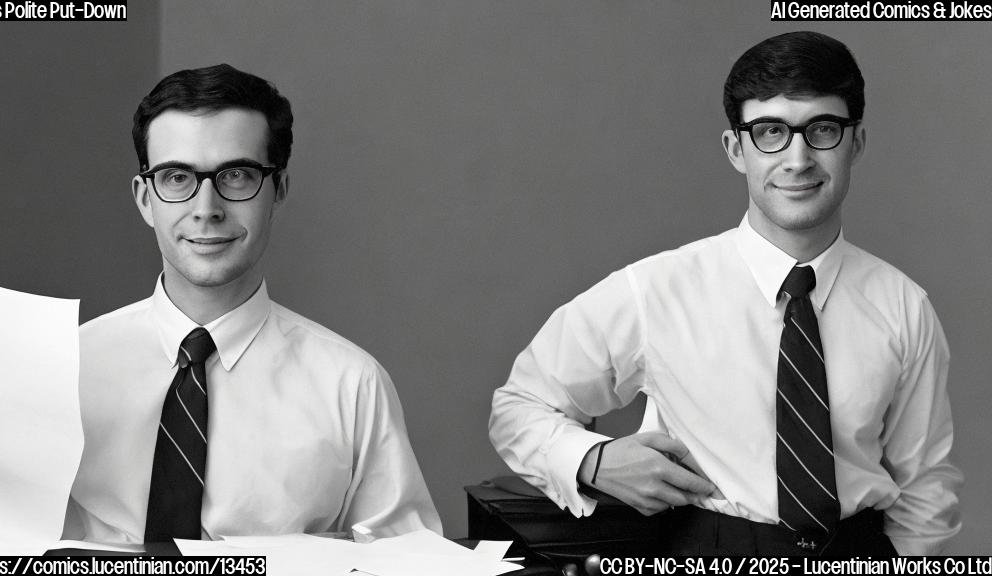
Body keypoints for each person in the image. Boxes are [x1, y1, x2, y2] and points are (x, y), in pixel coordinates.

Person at [489, 31, 961, 556]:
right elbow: (518, 407)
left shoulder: (904, 306)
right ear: (736, 149)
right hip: (710, 552)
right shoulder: (657, 291)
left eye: (823, 129)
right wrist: (593, 460)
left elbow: (924, 490)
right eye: (770, 132)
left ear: (858, 143)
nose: (798, 158)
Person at [66, 64, 440, 545]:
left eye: (237, 175)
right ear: (145, 199)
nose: (206, 208)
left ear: (278, 190)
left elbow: (407, 560)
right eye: (177, 177)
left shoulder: (352, 385)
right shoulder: (64, 370)